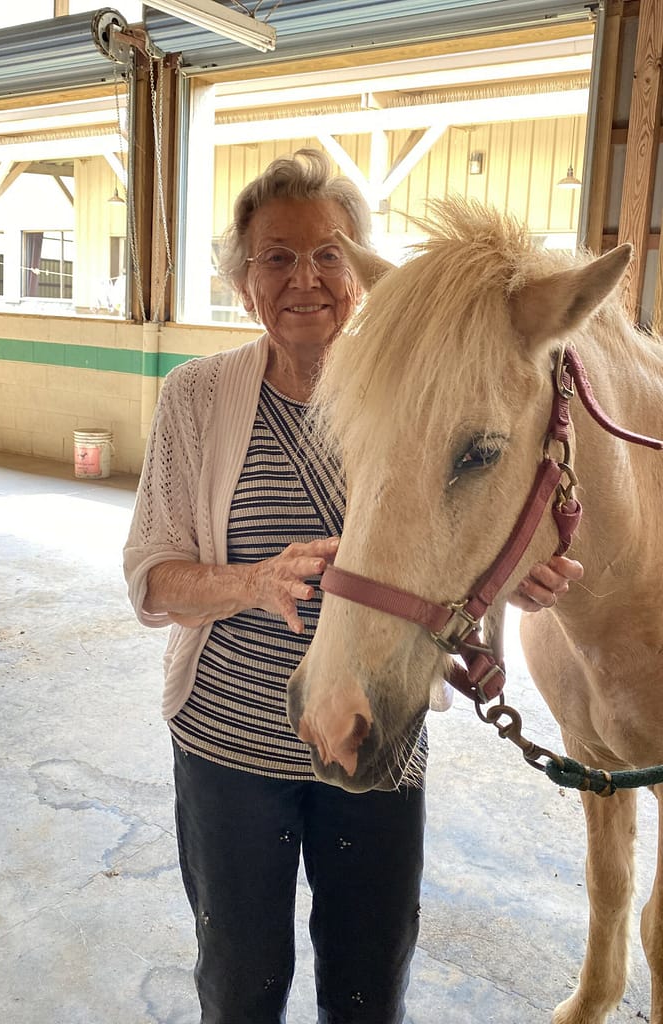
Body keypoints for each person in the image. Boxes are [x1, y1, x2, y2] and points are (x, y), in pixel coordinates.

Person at [123, 148, 583, 1024]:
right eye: (276, 256)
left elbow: (461, 528)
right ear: (242, 278)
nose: (305, 278)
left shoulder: (421, 394)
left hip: (381, 731)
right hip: (231, 748)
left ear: (361, 272)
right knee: (241, 980)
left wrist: (514, 579)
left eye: (329, 253)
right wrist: (252, 581)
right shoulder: (195, 398)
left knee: (371, 981)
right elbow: (153, 582)